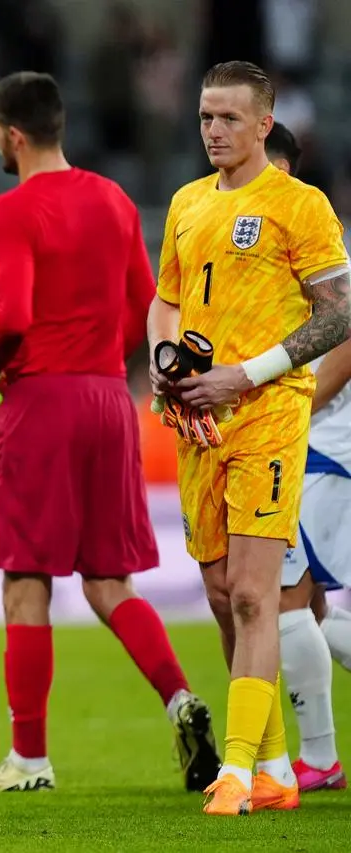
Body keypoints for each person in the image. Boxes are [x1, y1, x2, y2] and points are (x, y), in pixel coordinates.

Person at [0, 70, 220, 796]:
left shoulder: (11, 212)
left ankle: (30, 759)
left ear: (13, 135)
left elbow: (11, 315)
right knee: (110, 579)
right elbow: (148, 302)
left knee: (24, 580)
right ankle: (179, 696)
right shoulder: (112, 199)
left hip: (40, 404)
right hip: (111, 401)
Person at [152, 61, 351, 815]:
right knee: (215, 589)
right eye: (205, 116)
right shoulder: (185, 202)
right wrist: (162, 359)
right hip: (196, 418)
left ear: (264, 124)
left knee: (252, 594)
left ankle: (236, 769)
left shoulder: (299, 204)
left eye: (228, 118)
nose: (212, 130)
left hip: (268, 412)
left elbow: (337, 313)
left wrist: (249, 373)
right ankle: (271, 764)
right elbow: (165, 300)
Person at [267, 123, 351, 793]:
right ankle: (319, 759)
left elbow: (345, 344)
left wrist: (286, 409)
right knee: (303, 605)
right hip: (308, 444)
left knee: (291, 601)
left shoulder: (320, 245)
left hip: (323, 447)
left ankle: (319, 756)